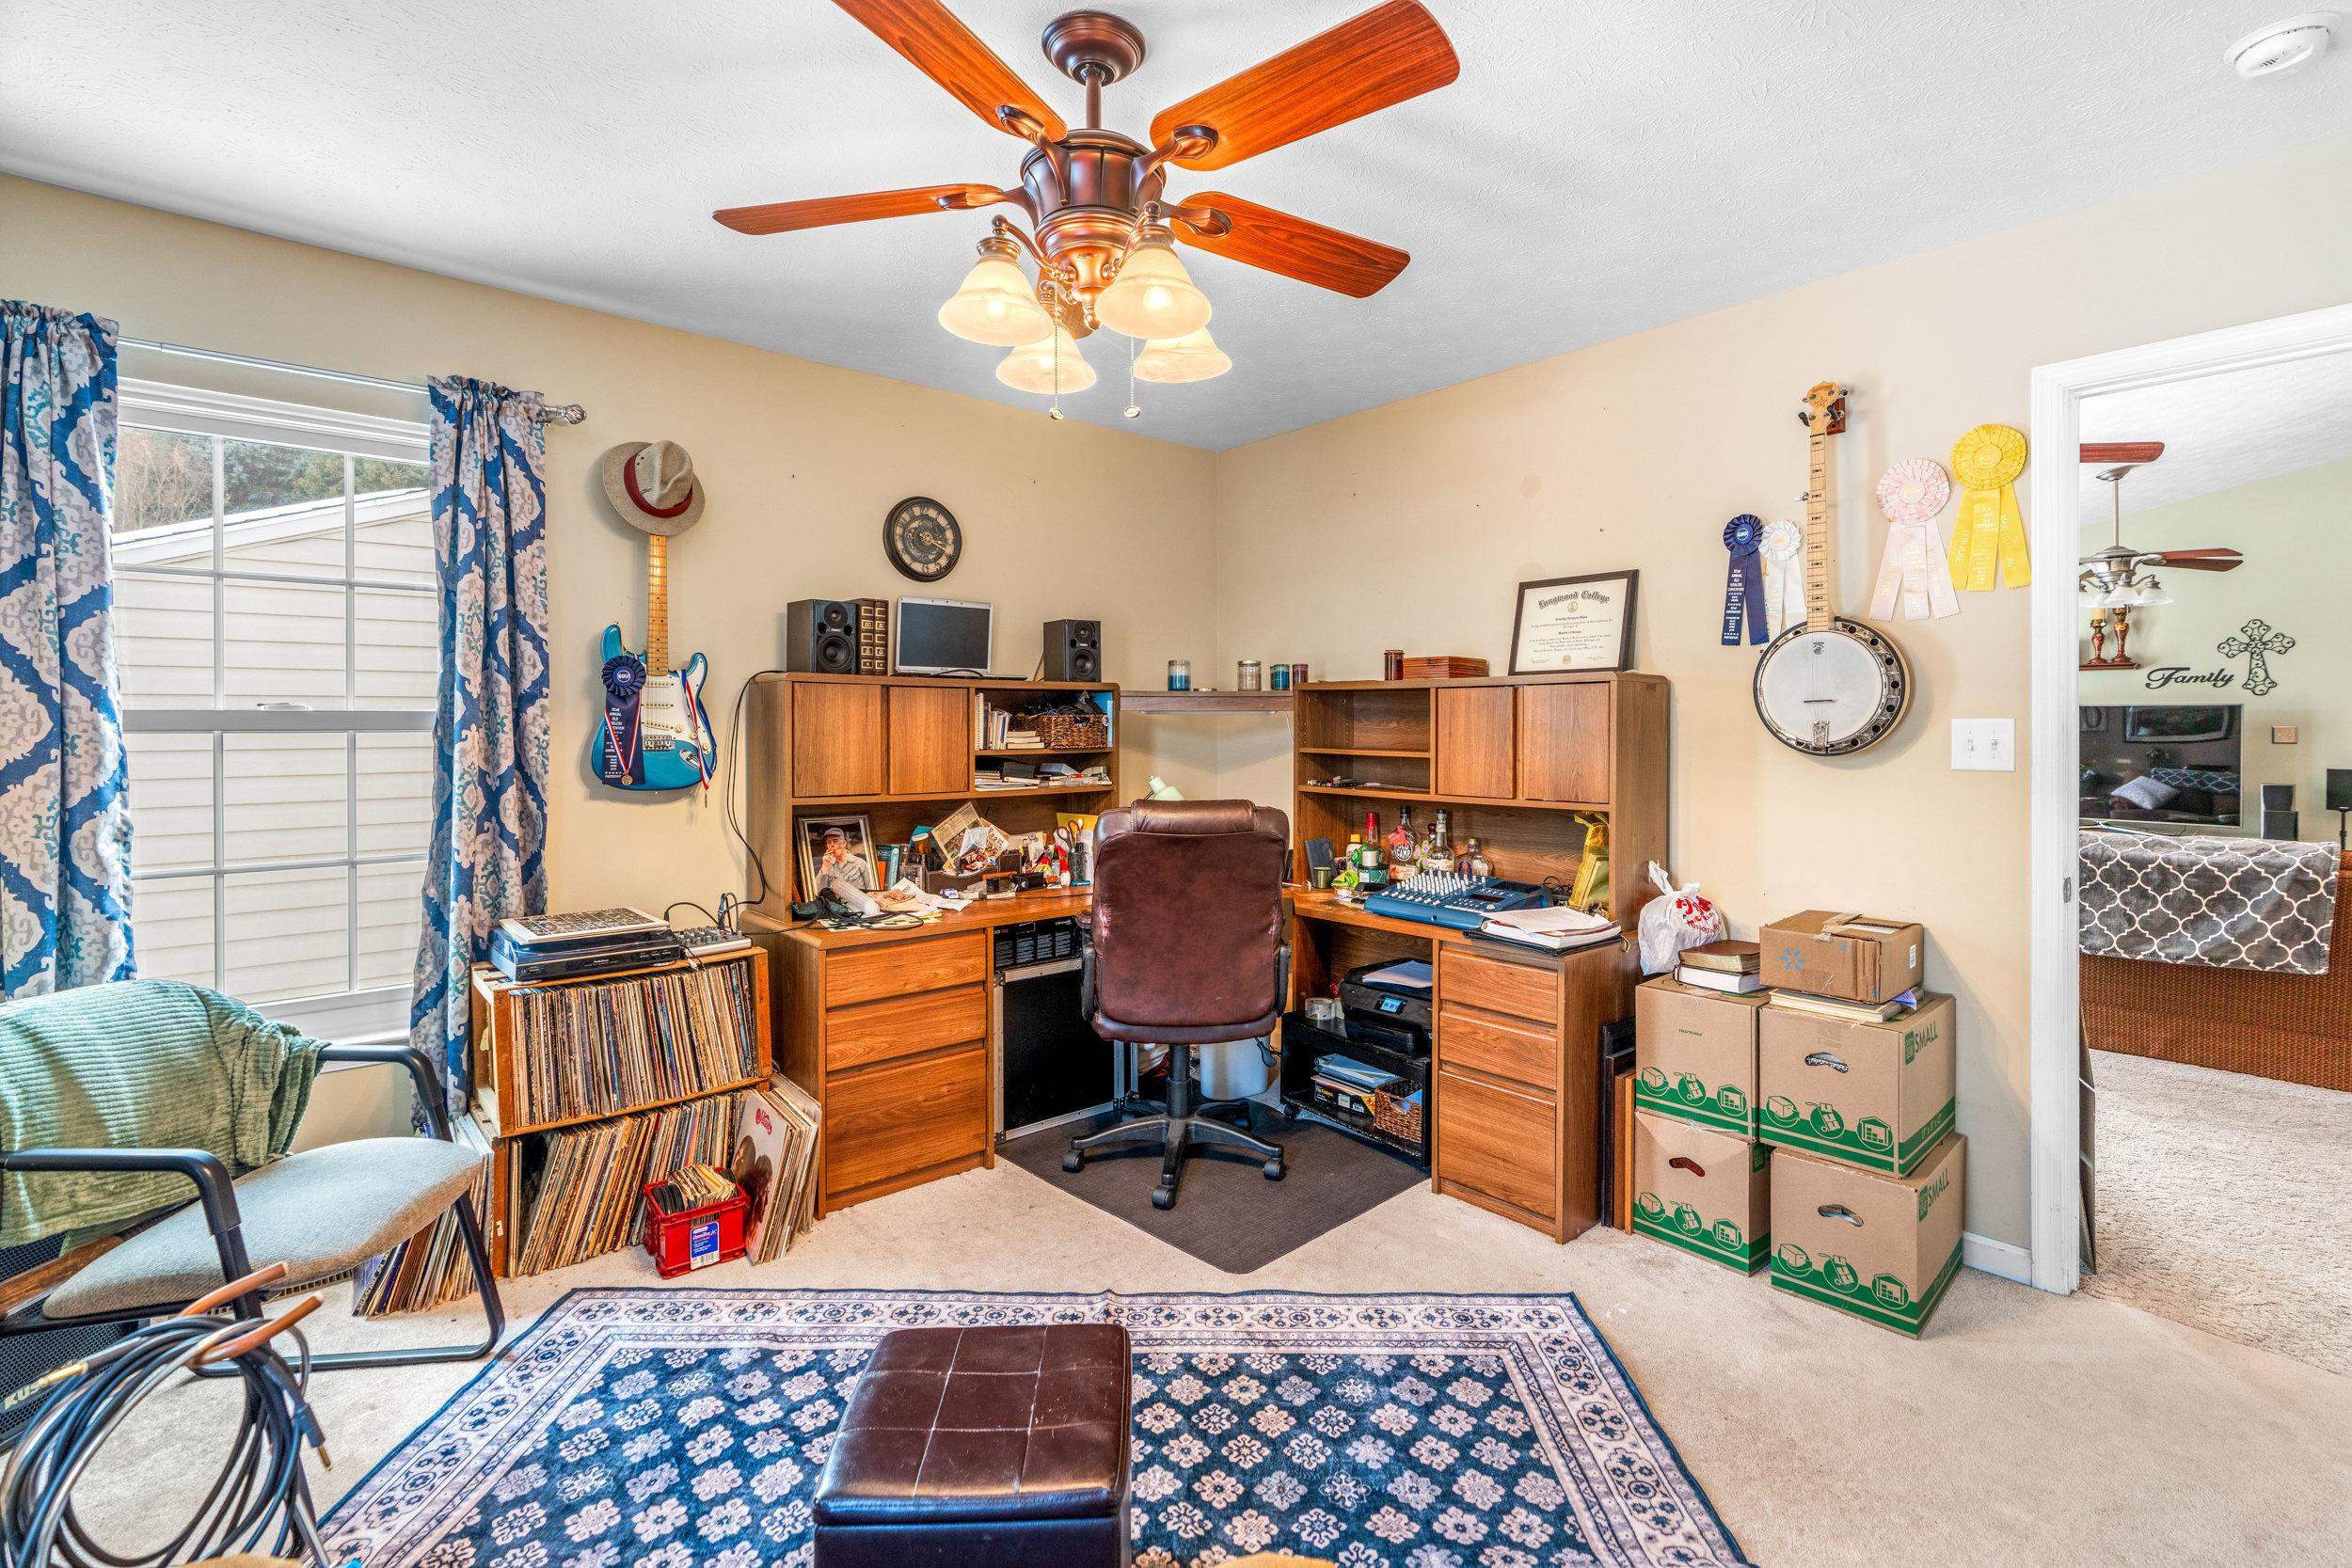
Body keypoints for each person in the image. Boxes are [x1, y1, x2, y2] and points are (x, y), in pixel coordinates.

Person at [813, 826, 876, 896]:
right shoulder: (827, 866)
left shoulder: (860, 863)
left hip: (858, 902)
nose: (832, 845)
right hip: (835, 903)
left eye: (835, 841)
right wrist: (825, 866)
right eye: (829, 842)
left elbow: (872, 891)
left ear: (844, 843)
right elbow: (817, 892)